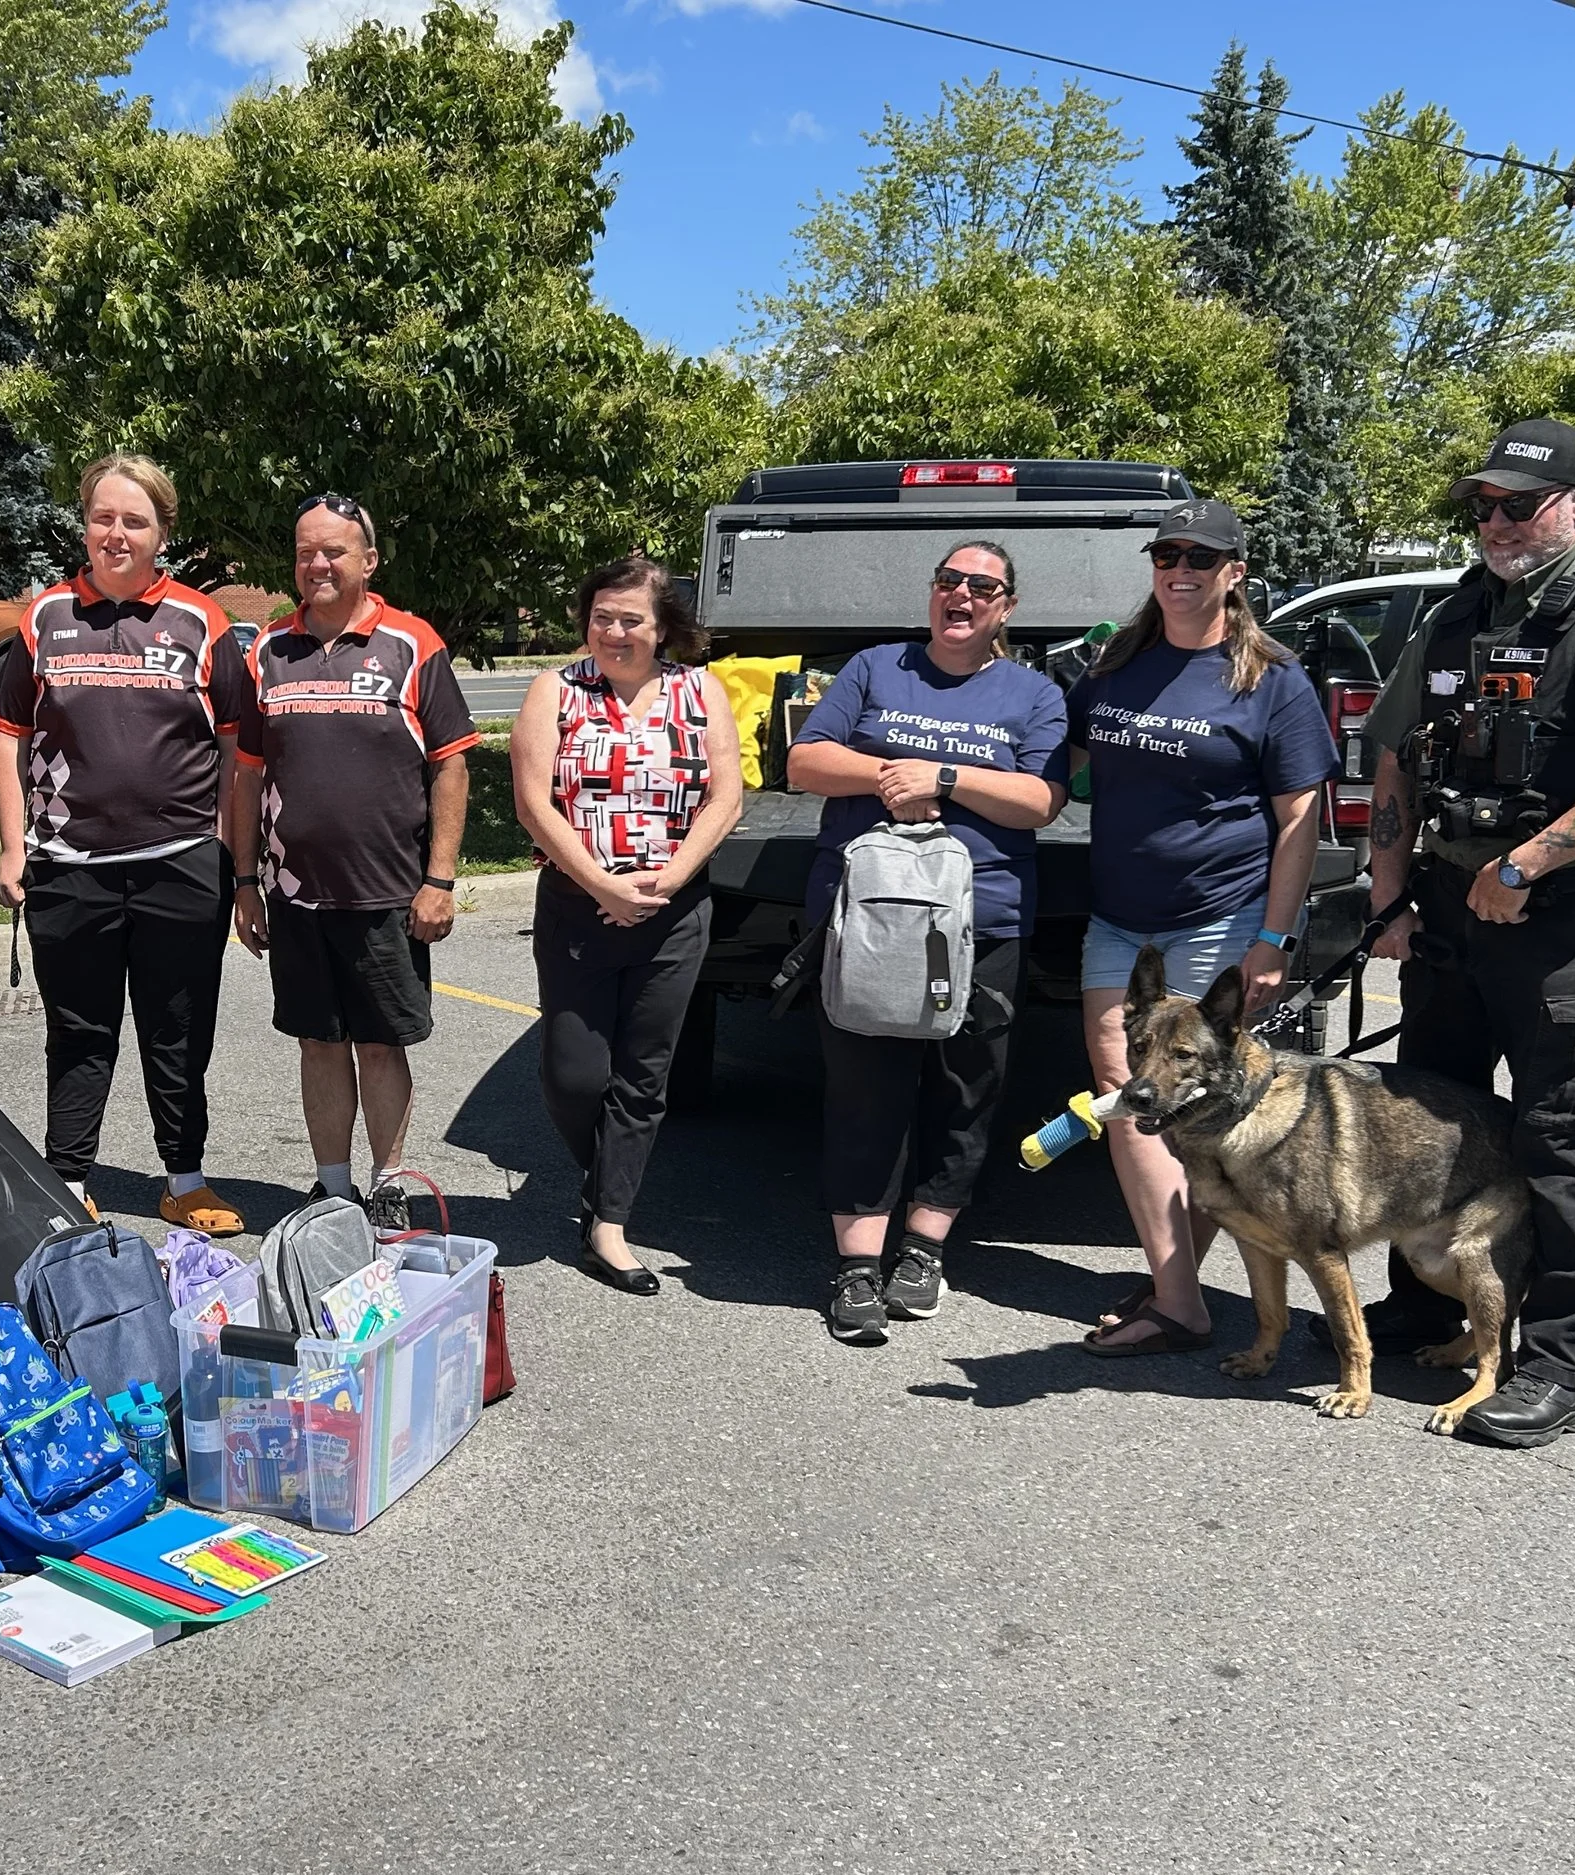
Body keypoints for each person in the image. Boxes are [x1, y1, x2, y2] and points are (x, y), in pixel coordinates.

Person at [1352, 419, 1575, 1447]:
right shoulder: (1455, 616)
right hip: (1448, 918)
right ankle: (1421, 1306)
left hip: (1558, 925)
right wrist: (1388, 895)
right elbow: (1392, 767)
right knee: (1434, 1128)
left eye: (1520, 503)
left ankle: (1557, 1367)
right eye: (1484, 505)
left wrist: (1521, 865)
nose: (1496, 522)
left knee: (1554, 1145)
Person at [1067, 499, 1339, 1355]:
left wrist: (1275, 938)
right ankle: (1179, 1293)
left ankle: (1182, 1291)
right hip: (1119, 918)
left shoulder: (1272, 679)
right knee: (1126, 1090)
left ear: (1235, 573)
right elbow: (1063, 762)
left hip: (1216, 917)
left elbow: (1300, 817)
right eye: (1166, 556)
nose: (1180, 570)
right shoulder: (1116, 663)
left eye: (1200, 557)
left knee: (1192, 1102)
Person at [788, 541, 1069, 1343]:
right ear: (932, 592)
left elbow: (1040, 799)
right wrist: (891, 777)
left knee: (964, 1089)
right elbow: (806, 760)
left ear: (1005, 607)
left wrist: (941, 778)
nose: (963, 595)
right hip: (871, 917)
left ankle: (924, 1248)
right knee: (864, 1091)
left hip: (982, 923)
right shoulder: (878, 666)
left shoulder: (1034, 694)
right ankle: (855, 1267)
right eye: (950, 581)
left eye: (983, 586)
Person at [0, 454, 253, 1234]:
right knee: (79, 1029)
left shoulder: (202, 623)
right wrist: (12, 845)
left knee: (178, 1030)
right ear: (84, 524)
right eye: (104, 517)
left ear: (161, 532)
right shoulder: (43, 618)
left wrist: (230, 860)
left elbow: (237, 750)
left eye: (134, 520)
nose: (117, 533)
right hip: (70, 868)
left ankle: (185, 1178)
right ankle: (69, 1176)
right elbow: (7, 738)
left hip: (179, 866)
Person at [229, 494, 479, 1224]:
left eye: (335, 551)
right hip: (295, 895)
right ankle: (333, 1186)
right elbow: (247, 772)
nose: (318, 564)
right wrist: (245, 880)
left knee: (378, 1043)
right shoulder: (267, 650)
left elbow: (453, 766)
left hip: (389, 893)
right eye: (307, 550)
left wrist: (439, 880)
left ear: (369, 560)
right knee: (317, 1042)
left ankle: (388, 1181)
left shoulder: (412, 642)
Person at [510, 555, 743, 1296]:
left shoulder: (699, 690)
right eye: (602, 616)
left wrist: (668, 882)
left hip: (674, 912)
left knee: (645, 1075)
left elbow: (725, 799)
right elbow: (534, 803)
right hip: (580, 903)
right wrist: (603, 883)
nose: (614, 630)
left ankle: (607, 1223)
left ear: (663, 626)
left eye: (631, 619)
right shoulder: (556, 689)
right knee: (572, 1074)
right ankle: (608, 1173)